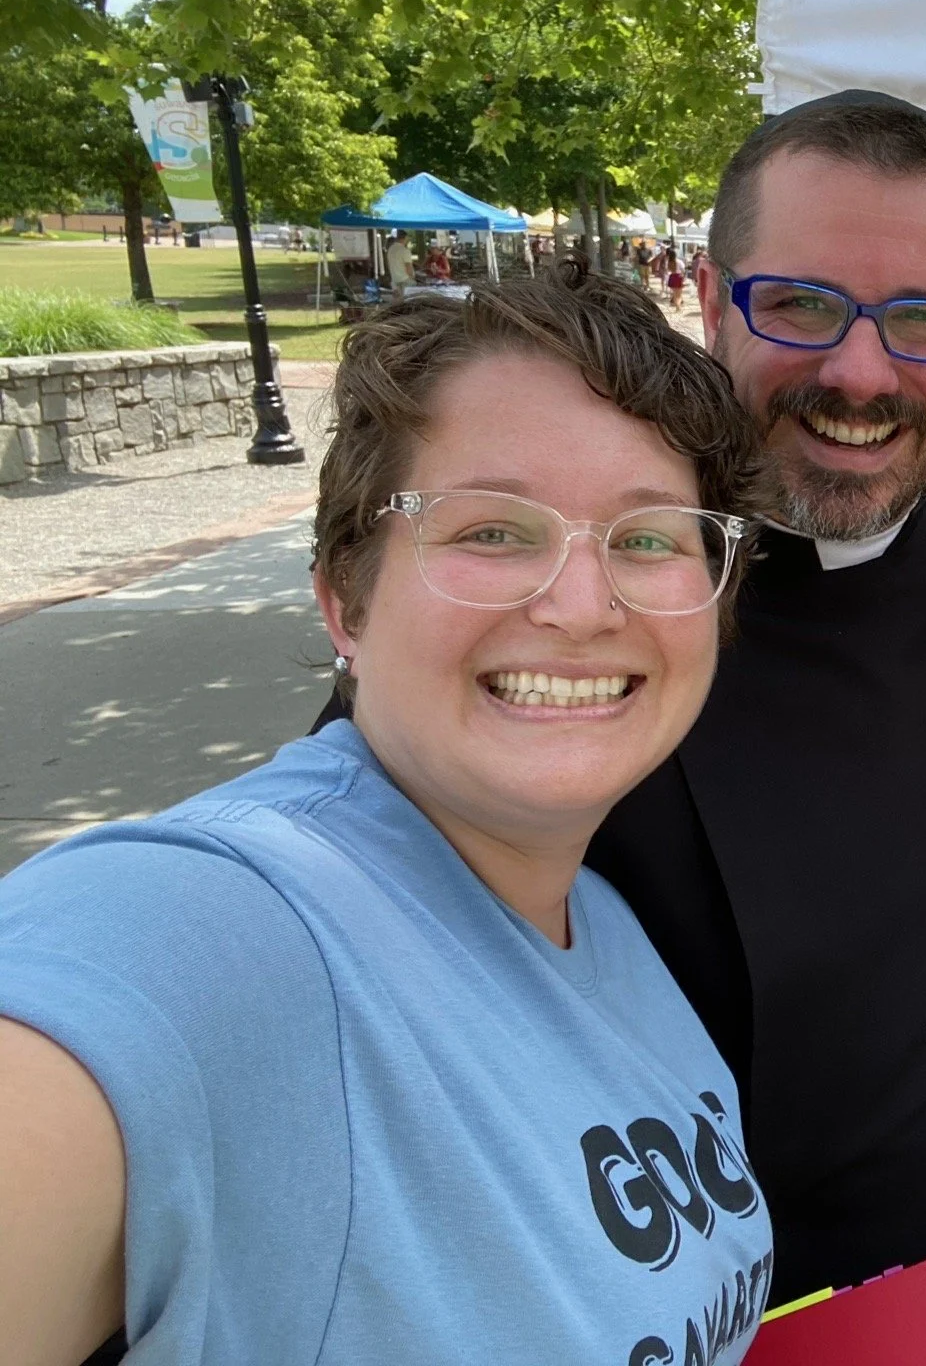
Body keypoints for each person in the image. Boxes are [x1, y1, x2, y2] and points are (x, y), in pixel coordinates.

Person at [0, 269, 775, 1366]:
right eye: (494, 531)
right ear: (344, 601)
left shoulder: (602, 927)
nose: (579, 604)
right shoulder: (225, 925)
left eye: (648, 539)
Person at [584, 93, 926, 1351]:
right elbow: (324, 881)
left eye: (924, 320)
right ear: (714, 307)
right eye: (803, 305)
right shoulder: (581, 609)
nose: (860, 375)